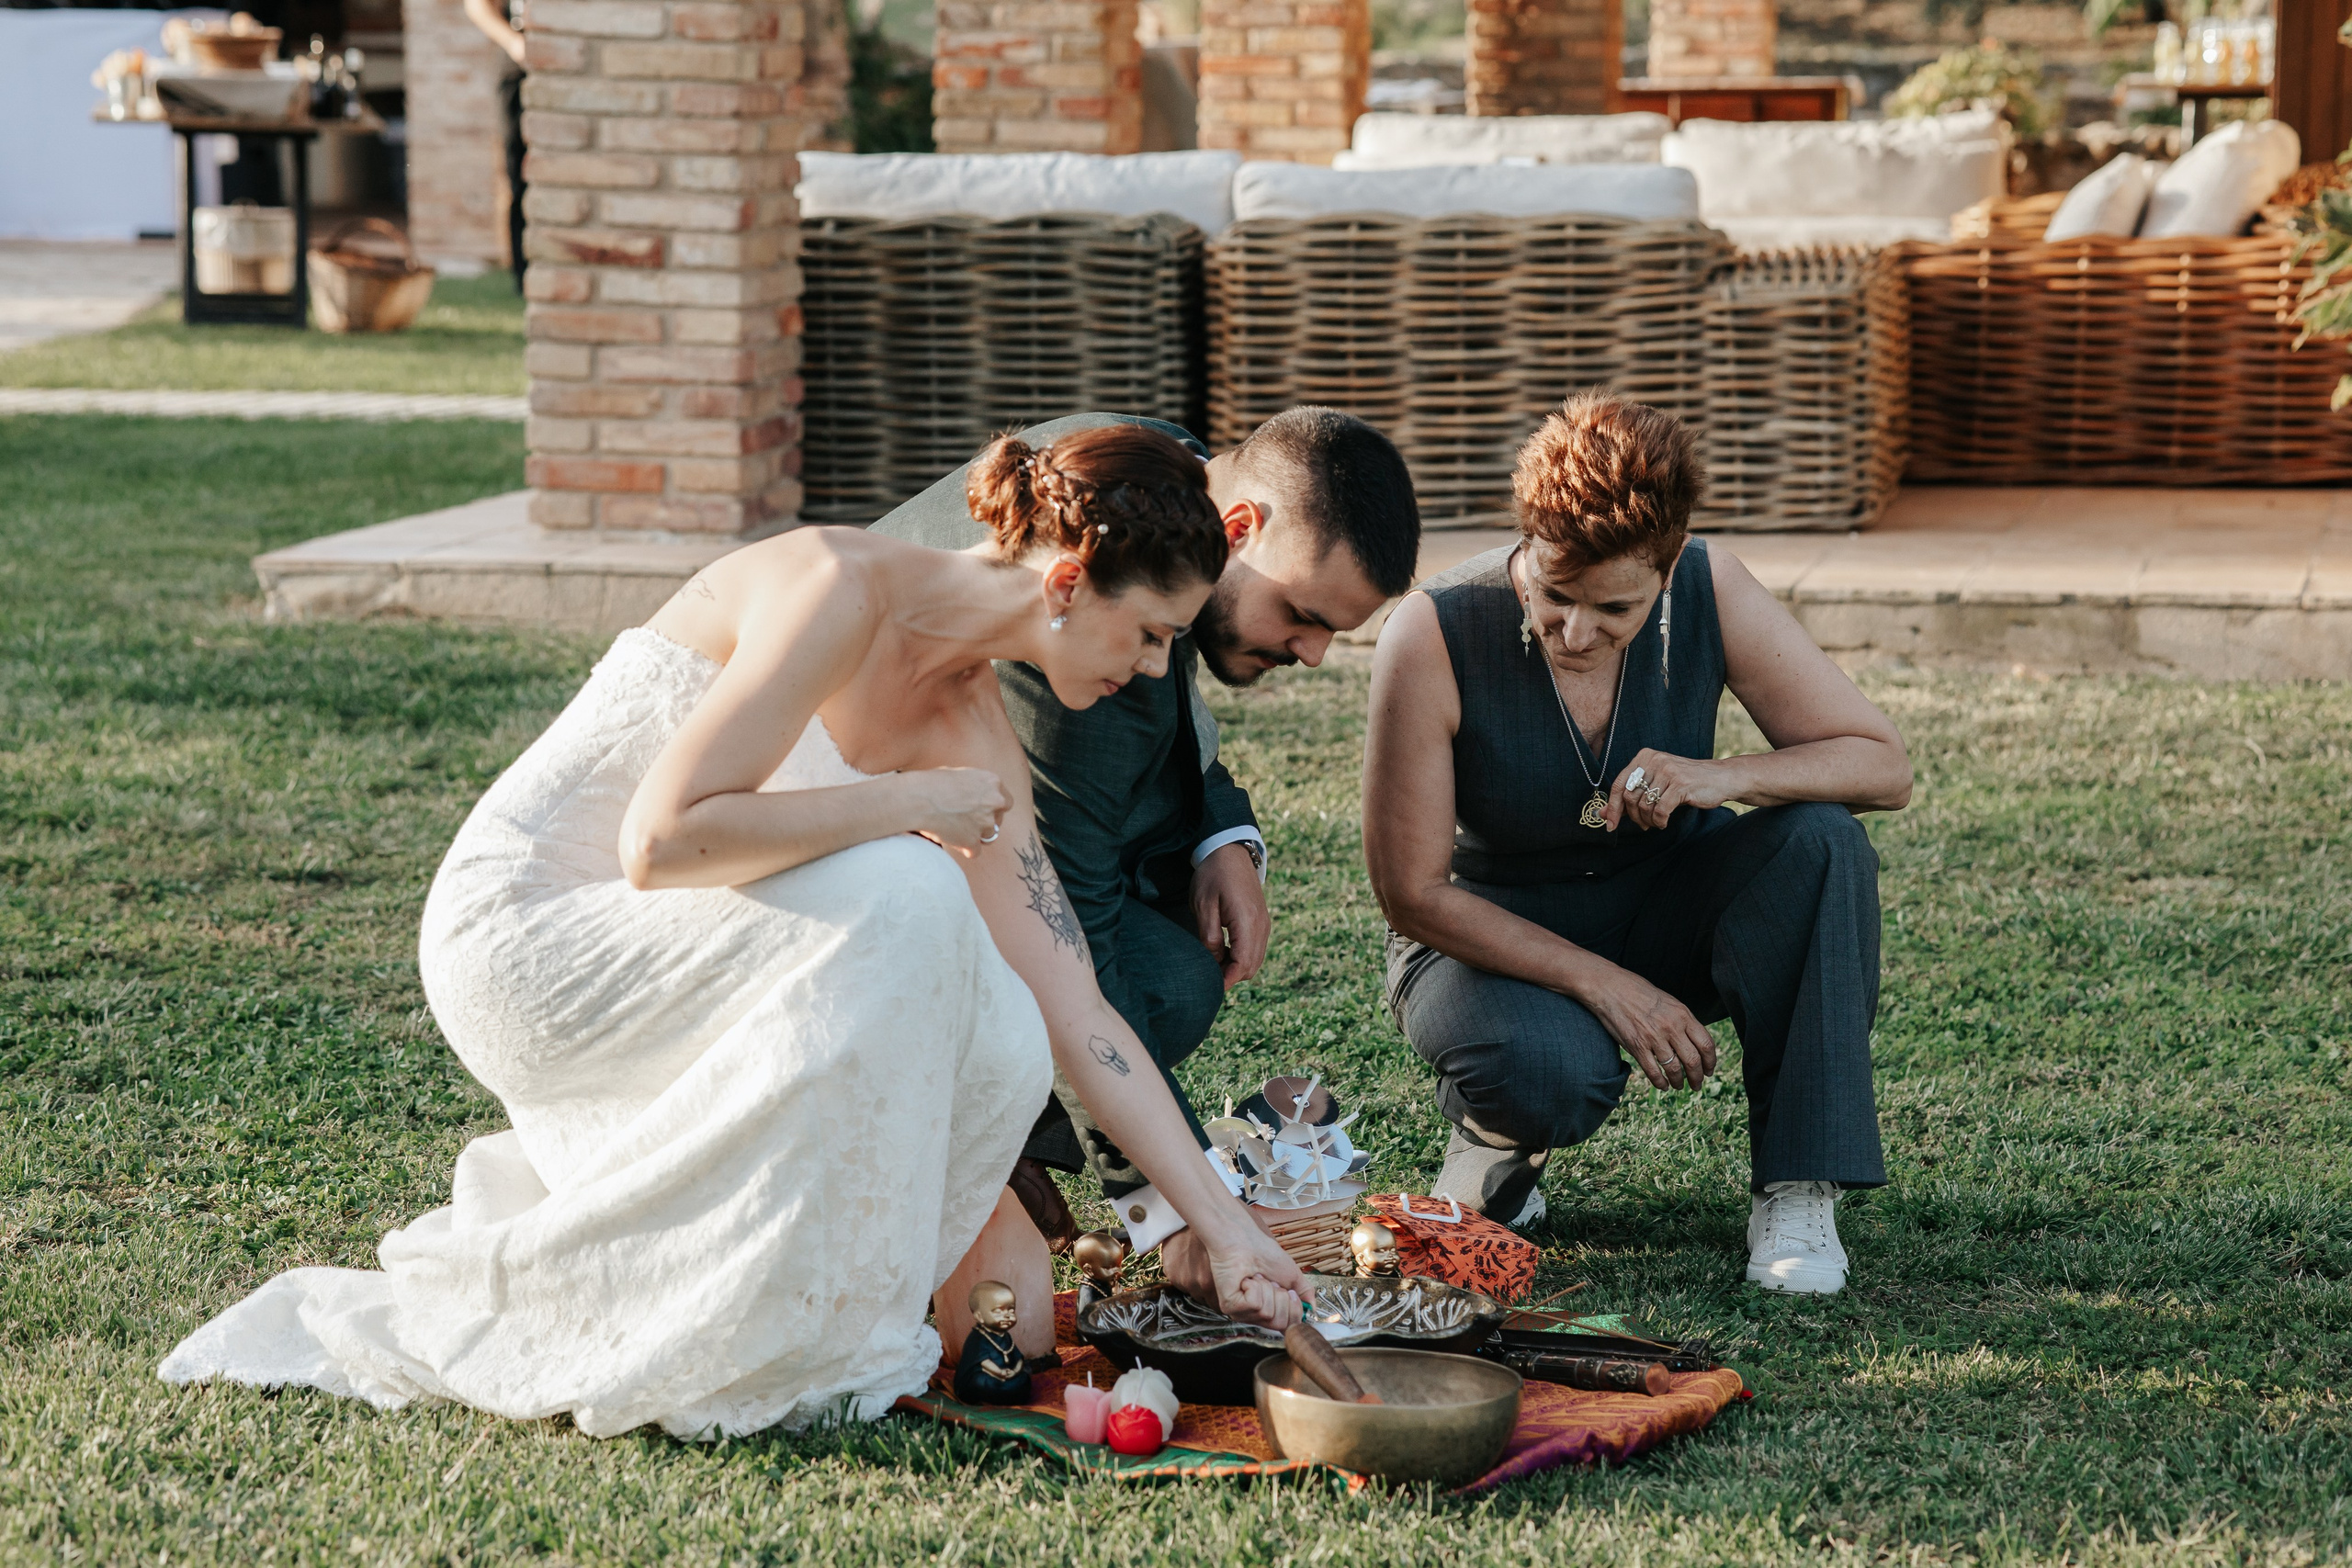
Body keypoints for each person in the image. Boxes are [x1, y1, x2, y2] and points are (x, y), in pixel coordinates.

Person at [159, 424, 1306, 1438]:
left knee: (1005, 1022)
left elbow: (1074, 1008)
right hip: (530, 941)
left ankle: (763, 1295)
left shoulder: (967, 719)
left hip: (677, 949)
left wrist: (1220, 1224)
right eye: (1151, 634)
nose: (1155, 668)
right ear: (1066, 582)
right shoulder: (836, 584)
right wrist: (906, 807)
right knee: (912, 897)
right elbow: (660, 844)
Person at [1362, 391, 1912, 1295]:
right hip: (1485, 928)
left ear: (1665, 569)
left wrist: (1721, 776)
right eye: (1553, 594)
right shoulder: (1433, 629)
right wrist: (1606, 988)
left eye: (1612, 607)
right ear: (1525, 549)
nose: (1575, 633)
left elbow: (1880, 767)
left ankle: (1794, 1186)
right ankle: (1498, 1141)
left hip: (1663, 898)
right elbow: (1412, 894)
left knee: (1822, 846)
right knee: (1542, 1069)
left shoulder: (1710, 585)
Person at [869, 409, 1420, 1295]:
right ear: (1238, 531)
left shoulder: (1158, 475)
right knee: (1147, 975)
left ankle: (1003, 1117)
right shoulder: (1087, 655)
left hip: (961, 823)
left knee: (1173, 966)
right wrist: (1182, 1212)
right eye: (1305, 616)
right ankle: (971, 1119)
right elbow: (1069, 953)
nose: (1315, 656)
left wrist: (1222, 834)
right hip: (842, 865)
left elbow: (1172, 723)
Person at [462, 0, 528, 291]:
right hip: (519, 67)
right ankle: (524, 276)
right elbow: (478, 6)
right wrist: (514, 43)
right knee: (520, 175)